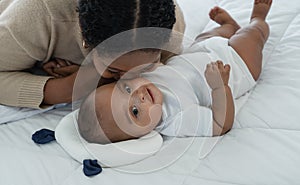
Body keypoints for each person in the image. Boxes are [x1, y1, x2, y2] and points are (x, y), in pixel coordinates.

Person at [77, 0, 272, 144]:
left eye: (126, 89)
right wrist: (219, 88)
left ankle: (228, 28)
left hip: (200, 51)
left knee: (206, 35)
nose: (139, 96)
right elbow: (220, 124)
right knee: (251, 36)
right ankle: (257, 18)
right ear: (138, 136)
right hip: (236, 65)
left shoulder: (138, 76)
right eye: (135, 111)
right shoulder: (176, 119)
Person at [0, 0, 185, 109]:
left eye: (146, 67)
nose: (129, 80)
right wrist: (66, 88)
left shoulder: (170, 26)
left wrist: (99, 76)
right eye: (114, 70)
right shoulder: (36, 16)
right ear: (85, 41)